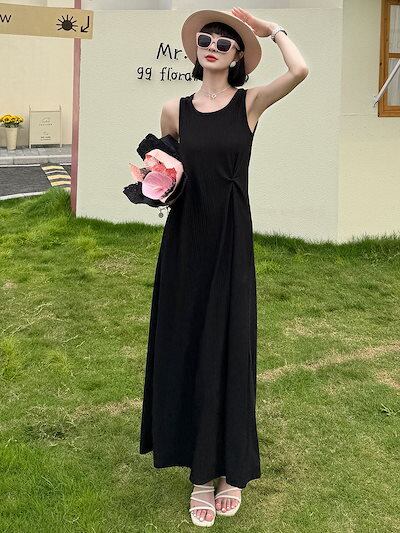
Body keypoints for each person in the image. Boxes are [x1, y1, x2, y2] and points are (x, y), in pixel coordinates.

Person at [139, 6, 309, 527]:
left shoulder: (249, 103)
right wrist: (154, 184)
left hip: (230, 239)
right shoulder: (173, 111)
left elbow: (300, 70)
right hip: (186, 241)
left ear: (237, 57)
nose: (212, 46)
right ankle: (199, 476)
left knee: (229, 345)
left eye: (223, 42)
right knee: (188, 342)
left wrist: (272, 31)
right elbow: (167, 172)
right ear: (196, 51)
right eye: (205, 40)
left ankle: (230, 471)